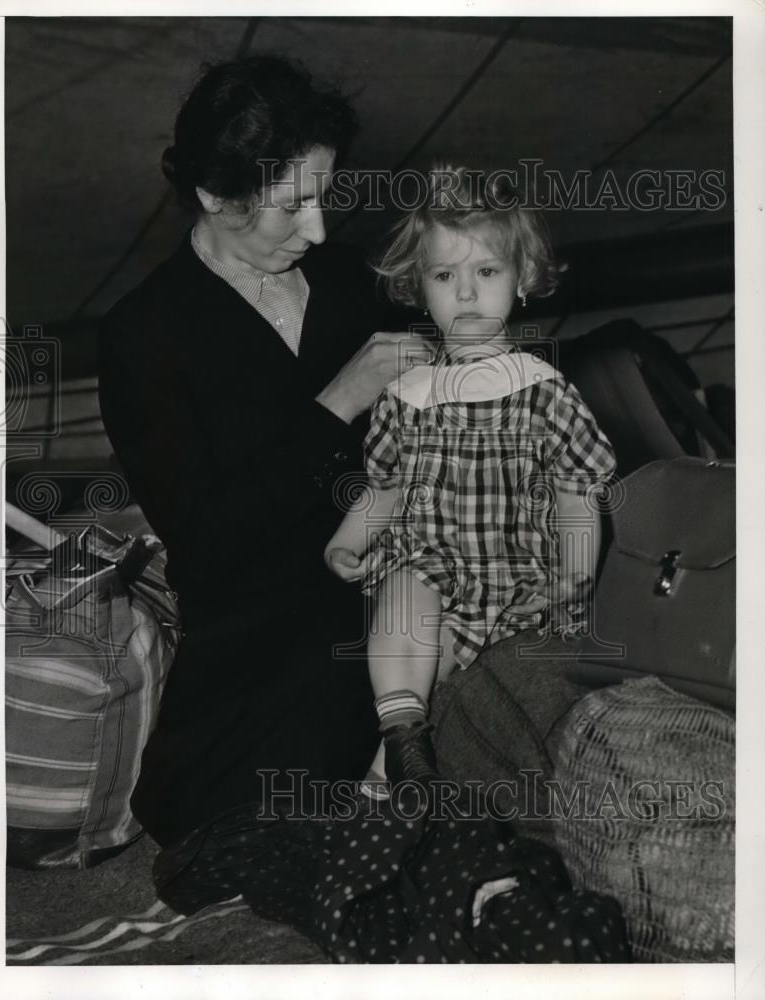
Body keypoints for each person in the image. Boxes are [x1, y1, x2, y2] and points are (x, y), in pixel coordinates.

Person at [98, 55, 432, 912]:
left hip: (392, 596)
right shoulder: (147, 336)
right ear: (215, 195)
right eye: (293, 205)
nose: (318, 230)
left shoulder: (349, 282)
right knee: (271, 822)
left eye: (325, 196)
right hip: (264, 641)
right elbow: (208, 548)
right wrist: (339, 403)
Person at [323, 165, 617, 796]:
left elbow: (578, 490)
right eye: (444, 275)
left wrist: (577, 570)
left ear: (522, 279)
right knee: (404, 595)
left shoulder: (542, 390)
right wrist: (346, 542)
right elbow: (384, 489)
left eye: (486, 272)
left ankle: (397, 772)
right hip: (436, 577)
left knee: (495, 705)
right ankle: (400, 738)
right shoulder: (406, 394)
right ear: (417, 286)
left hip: (522, 583)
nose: (465, 294)